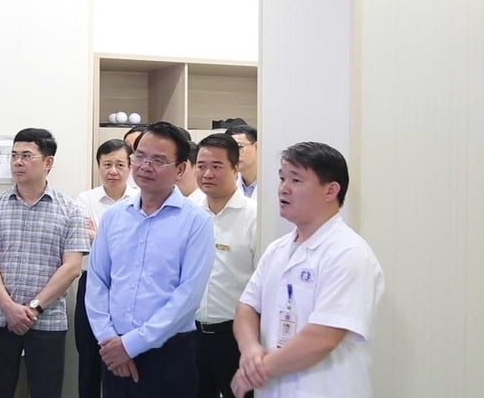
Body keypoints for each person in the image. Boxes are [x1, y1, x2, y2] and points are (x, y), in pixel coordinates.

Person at [231, 142, 385, 398]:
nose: (284, 188)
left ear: (331, 190)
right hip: (273, 389)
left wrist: (256, 370)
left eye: (296, 180)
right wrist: (249, 349)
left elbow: (322, 337)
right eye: (282, 178)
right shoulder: (277, 249)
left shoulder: (349, 253)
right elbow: (247, 307)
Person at [86, 121, 214, 398]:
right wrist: (109, 339)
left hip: (169, 352)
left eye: (158, 160)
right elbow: (97, 281)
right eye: (140, 156)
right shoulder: (114, 217)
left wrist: (130, 345)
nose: (145, 166)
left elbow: (187, 296)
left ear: (180, 169)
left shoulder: (196, 222)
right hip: (113, 348)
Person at [0, 128, 90, 398]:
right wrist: (8, 307)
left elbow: (72, 267)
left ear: (48, 162)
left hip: (48, 320)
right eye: (13, 155)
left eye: (26, 156)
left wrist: (34, 308)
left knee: (46, 391)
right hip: (1, 317)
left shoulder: (69, 209)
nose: (17, 162)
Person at [192, 133, 257, 398]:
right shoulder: (189, 212)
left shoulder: (254, 216)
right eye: (201, 166)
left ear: (235, 168)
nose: (207, 173)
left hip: (234, 337)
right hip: (191, 334)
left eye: (217, 166)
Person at [74, 139, 139, 398]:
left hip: (129, 286)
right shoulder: (85, 199)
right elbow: (82, 236)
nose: (113, 171)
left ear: (130, 167)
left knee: (127, 353)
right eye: (107, 164)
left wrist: (98, 234)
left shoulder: (140, 199)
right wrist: (118, 238)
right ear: (98, 166)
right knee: (89, 356)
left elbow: (139, 244)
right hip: (91, 283)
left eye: (120, 165)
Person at [225, 125, 258, 199]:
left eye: (239, 147)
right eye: (229, 149)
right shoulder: (227, 185)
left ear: (256, 147)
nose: (234, 154)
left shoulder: (273, 182)